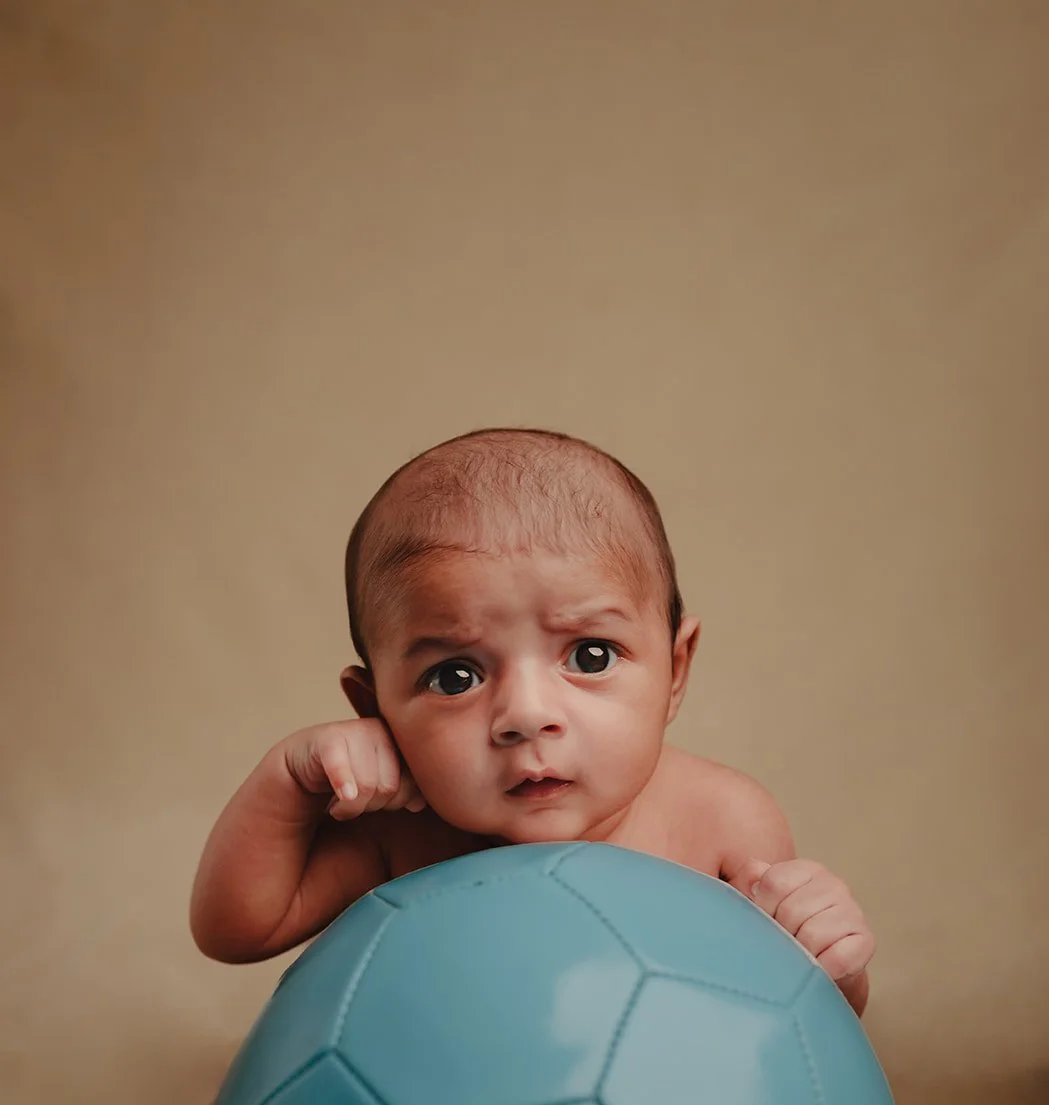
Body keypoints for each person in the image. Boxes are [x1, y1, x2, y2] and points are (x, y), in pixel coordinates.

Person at [189, 428, 874, 1018]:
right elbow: (237, 930)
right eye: (455, 676)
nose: (526, 716)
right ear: (375, 710)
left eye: (589, 655)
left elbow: (803, 1028)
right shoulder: (395, 835)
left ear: (675, 671)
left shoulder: (723, 822)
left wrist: (830, 959)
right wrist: (289, 780)